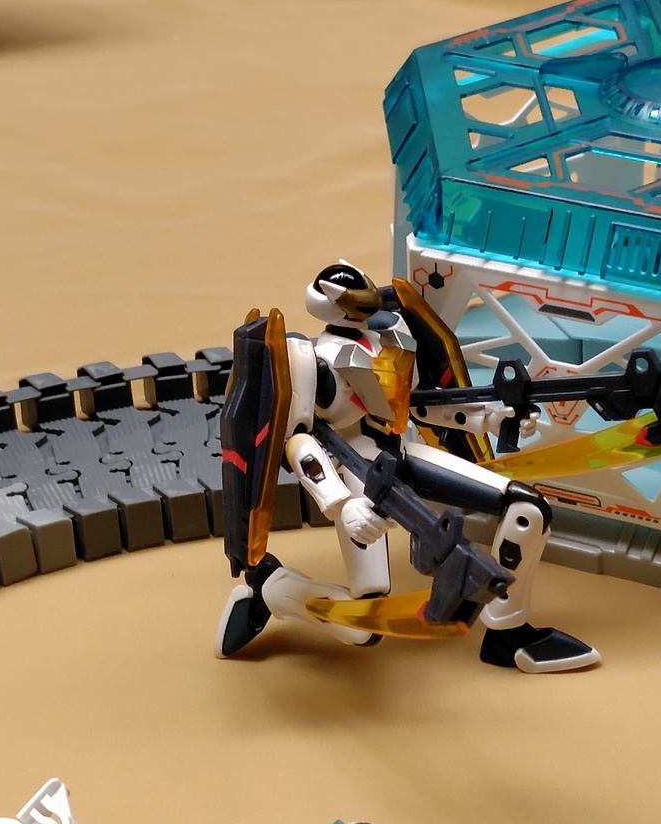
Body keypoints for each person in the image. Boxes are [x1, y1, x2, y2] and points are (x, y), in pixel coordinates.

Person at [215, 262, 600, 674]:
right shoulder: (309, 362)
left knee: (528, 509)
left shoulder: (390, 338)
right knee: (364, 623)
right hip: (357, 473)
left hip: (402, 454)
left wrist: (490, 418)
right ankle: (272, 589)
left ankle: (507, 634)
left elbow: (421, 406)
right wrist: (341, 504)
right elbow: (300, 443)